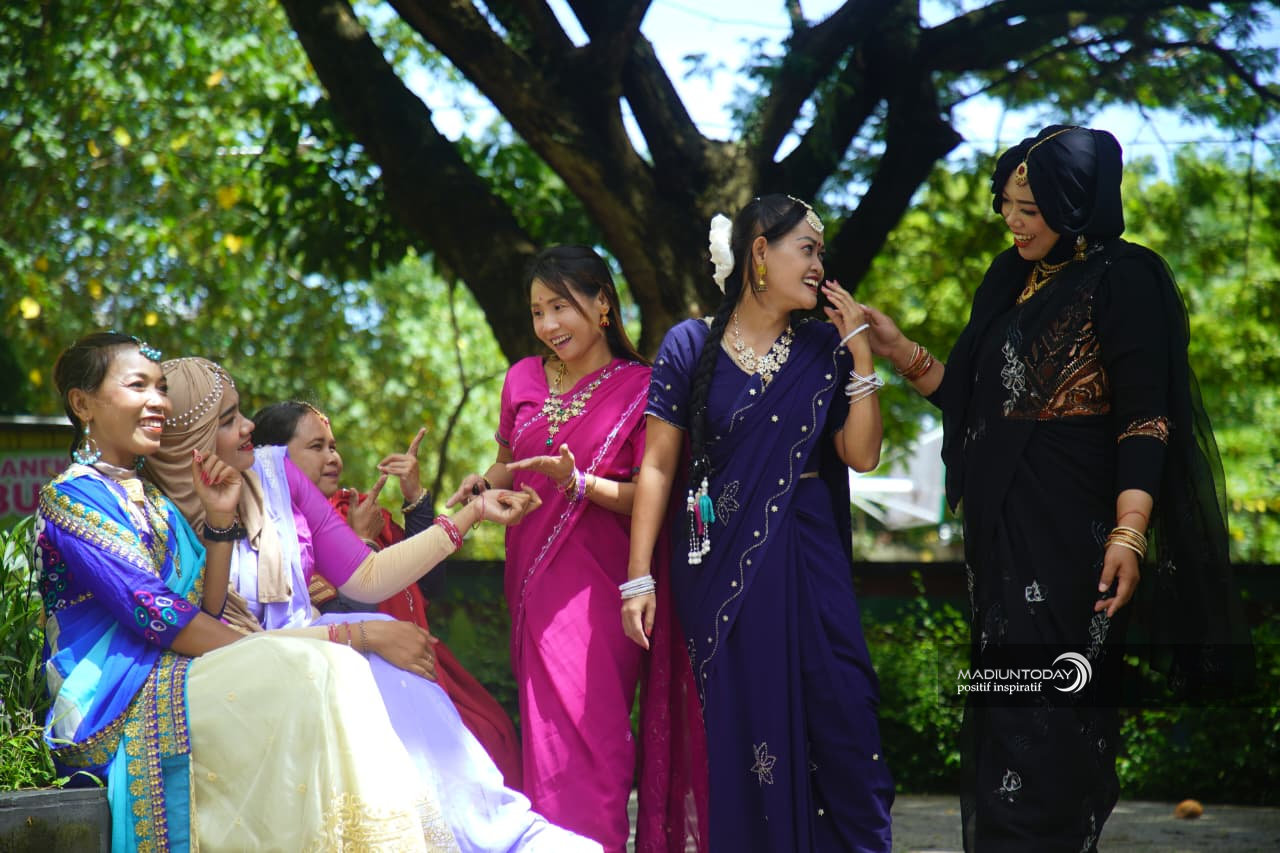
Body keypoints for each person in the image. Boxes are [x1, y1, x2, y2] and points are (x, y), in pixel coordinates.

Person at [861, 125, 1251, 851]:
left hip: (1075, 545)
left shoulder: (1125, 278)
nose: (1013, 222)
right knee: (1005, 722)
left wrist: (1129, 531)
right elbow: (980, 406)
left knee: (1054, 729)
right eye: (1006, 205)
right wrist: (896, 348)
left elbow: (1146, 417)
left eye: (1031, 209)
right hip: (1002, 545)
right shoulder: (1008, 278)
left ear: (1076, 207)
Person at [144, 356, 601, 853]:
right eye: (229, 419)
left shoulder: (273, 473)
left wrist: (472, 513)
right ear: (189, 441)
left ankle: (497, 831)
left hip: (315, 656)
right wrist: (363, 635)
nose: (249, 426)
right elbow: (214, 640)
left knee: (416, 677)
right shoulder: (151, 516)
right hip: (250, 681)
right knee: (362, 655)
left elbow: (367, 575)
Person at [38, 332, 456, 851]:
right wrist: (283, 647)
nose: (157, 401)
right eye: (137, 385)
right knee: (320, 668)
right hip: (116, 699)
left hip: (176, 667)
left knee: (339, 671)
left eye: (160, 387)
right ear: (83, 404)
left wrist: (219, 521)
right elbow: (164, 618)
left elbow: (206, 608)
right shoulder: (72, 499)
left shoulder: (153, 500)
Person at [623, 195, 894, 852]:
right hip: (721, 569)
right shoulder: (690, 345)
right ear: (760, 253)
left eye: (821, 252)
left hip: (809, 557)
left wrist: (861, 357)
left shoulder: (824, 346)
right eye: (807, 249)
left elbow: (861, 455)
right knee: (747, 735)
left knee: (847, 715)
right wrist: (638, 578)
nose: (819, 264)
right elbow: (657, 466)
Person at [447, 245, 707, 853]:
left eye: (560, 307)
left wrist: (578, 483)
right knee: (547, 745)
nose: (548, 325)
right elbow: (509, 462)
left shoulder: (643, 387)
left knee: (595, 740)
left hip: (603, 590)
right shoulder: (522, 377)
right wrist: (483, 484)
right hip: (533, 586)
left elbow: (654, 493)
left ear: (602, 304)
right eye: (537, 312)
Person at [251, 399, 522, 789]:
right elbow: (344, 608)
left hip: (411, 657)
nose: (333, 457)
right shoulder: (264, 523)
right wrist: (361, 539)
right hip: (341, 670)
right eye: (317, 447)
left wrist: (415, 498)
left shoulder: (356, 507)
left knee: (493, 732)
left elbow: (427, 584)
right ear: (276, 458)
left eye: (333, 446)